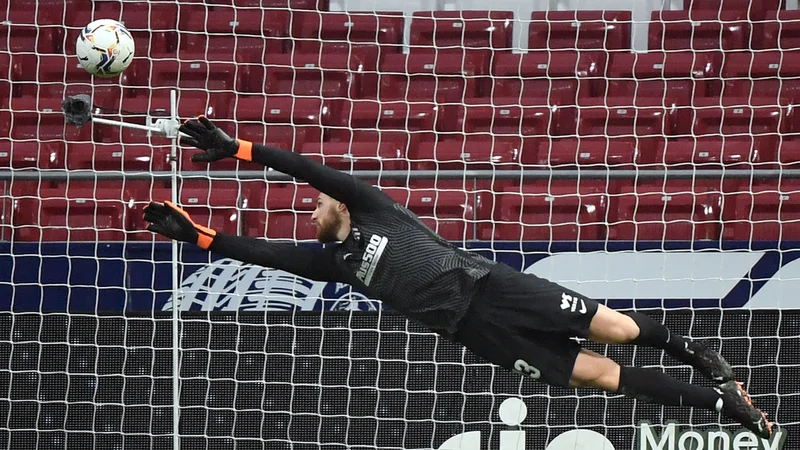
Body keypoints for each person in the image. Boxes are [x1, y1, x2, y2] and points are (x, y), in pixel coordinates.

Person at [145, 116, 773, 439]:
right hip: (474, 330)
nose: (310, 211)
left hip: (489, 284)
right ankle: (727, 406)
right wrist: (198, 236)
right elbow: (263, 255)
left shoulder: (368, 206)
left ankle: (696, 353)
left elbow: (308, 168)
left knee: (614, 328)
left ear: (337, 206)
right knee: (603, 377)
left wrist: (240, 152)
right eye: (311, 209)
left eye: (314, 207)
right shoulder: (331, 262)